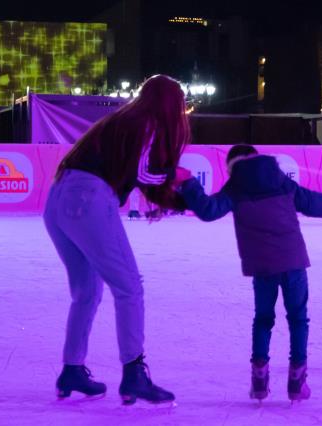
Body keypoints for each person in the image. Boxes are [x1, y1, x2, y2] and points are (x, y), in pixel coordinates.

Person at [44, 74, 192, 404]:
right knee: (129, 287)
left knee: (87, 291)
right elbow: (142, 174)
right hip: (89, 199)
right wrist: (175, 176)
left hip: (58, 200)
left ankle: (72, 369)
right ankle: (134, 373)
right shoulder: (147, 122)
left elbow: (133, 172)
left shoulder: (121, 120)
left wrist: (173, 197)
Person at [178, 144, 322, 401]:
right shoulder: (281, 181)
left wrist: (188, 183)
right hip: (293, 261)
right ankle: (297, 383)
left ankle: (259, 381)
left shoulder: (236, 187)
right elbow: (314, 202)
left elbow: (209, 210)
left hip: (262, 266)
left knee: (263, 319)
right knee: (298, 319)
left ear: (232, 166)